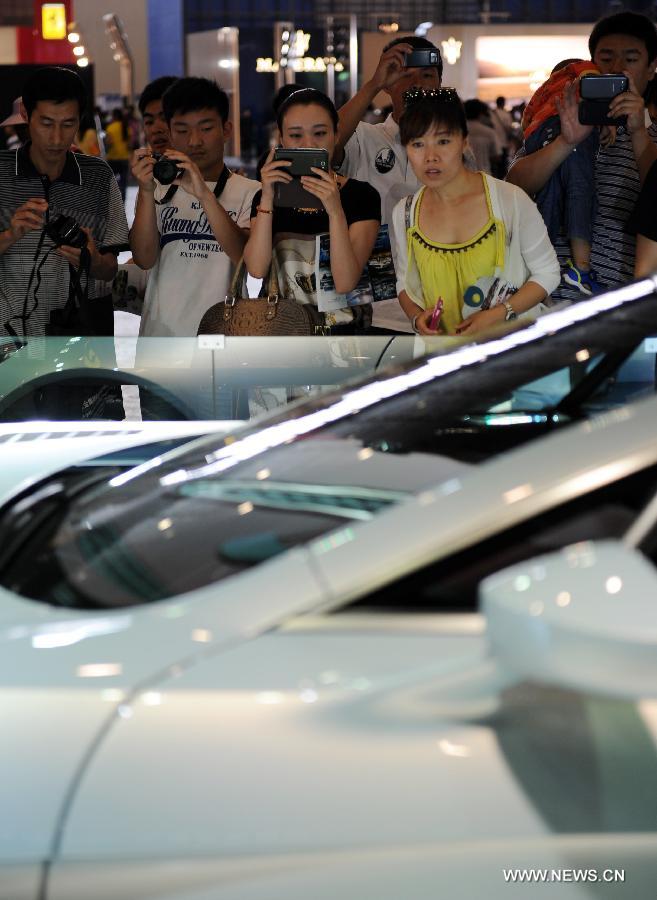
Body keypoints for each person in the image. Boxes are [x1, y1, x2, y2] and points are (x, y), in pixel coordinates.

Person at [506, 11, 657, 303]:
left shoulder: (651, 136)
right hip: (538, 296)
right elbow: (513, 186)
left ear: (651, 68)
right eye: (606, 57)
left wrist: (638, 131)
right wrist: (566, 141)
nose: (616, 68)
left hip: (614, 299)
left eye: (631, 59)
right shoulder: (563, 120)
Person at [391, 89, 560, 336]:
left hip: (506, 355)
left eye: (443, 141)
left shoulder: (510, 200)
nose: (430, 157)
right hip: (442, 360)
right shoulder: (405, 213)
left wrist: (500, 312)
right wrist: (417, 319)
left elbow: (547, 273)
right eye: (417, 144)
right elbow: (404, 284)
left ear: (464, 141)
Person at [0, 66, 128, 338]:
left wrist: (93, 261)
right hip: (12, 343)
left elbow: (109, 270)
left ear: (80, 120)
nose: (57, 138)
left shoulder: (98, 176)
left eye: (68, 124)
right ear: (25, 116)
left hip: (83, 344)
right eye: (46, 123)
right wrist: (10, 235)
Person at [129, 77, 259, 336]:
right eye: (182, 130)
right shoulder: (157, 188)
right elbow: (144, 259)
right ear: (170, 133)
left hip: (224, 341)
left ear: (227, 129)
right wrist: (146, 190)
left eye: (206, 128)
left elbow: (245, 259)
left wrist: (204, 194)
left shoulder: (251, 191)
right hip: (160, 338)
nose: (195, 141)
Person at [243, 88, 380, 333]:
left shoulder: (361, 195)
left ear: (336, 135)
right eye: (295, 136)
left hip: (346, 340)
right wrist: (266, 196)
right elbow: (256, 269)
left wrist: (335, 211)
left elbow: (346, 282)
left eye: (320, 133)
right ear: (281, 140)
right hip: (282, 335)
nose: (308, 144)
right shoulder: (267, 197)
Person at [333, 36, 444, 331]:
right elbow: (325, 148)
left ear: (440, 84)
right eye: (404, 76)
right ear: (388, 84)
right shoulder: (365, 137)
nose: (416, 83)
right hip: (372, 308)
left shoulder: (457, 150)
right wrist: (371, 86)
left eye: (426, 76)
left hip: (441, 304)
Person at [521, 59, 603, 295]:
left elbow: (527, 120)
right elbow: (592, 82)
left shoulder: (543, 91)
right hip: (564, 126)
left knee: (550, 191)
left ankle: (537, 271)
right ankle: (581, 268)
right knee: (580, 186)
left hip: (538, 135)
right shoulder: (580, 70)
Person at [139, 76, 177, 155]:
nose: (155, 130)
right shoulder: (143, 166)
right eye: (149, 122)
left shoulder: (203, 166)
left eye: (165, 118)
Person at [464, 99, 503, 175]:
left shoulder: (457, 131)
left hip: (462, 176)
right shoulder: (489, 132)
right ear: (480, 114)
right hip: (484, 176)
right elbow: (497, 156)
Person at [105, 107, 131, 199]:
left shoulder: (110, 127)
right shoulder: (126, 127)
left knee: (112, 184)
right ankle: (122, 204)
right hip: (124, 159)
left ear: (114, 116)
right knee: (123, 184)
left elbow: (109, 144)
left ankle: (114, 202)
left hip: (113, 159)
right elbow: (129, 145)